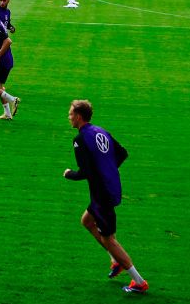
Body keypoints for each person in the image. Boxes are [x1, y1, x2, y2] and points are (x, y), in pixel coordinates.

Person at [62, 100, 147, 293]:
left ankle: (139, 282)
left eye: (70, 114)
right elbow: (122, 153)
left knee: (109, 239)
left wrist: (69, 174)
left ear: (79, 116)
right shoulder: (101, 131)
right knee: (87, 221)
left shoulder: (80, 139)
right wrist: (107, 169)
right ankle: (115, 260)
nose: (69, 117)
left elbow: (85, 171)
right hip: (112, 187)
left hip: (102, 194)